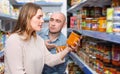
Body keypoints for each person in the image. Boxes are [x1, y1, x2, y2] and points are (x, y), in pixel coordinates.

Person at [4, 3, 80, 74]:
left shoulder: (38, 39)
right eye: (39, 17)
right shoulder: (14, 40)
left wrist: (68, 49)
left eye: (42, 17)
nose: (43, 21)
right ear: (27, 18)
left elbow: (50, 60)